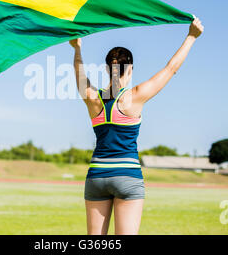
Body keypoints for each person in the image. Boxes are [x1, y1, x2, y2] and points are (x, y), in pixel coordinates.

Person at [69, 18, 204, 235]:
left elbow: (79, 73)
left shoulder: (92, 97)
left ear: (106, 68)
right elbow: (170, 69)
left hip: (97, 175)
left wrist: (77, 48)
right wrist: (191, 37)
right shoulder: (136, 96)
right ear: (130, 68)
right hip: (127, 175)